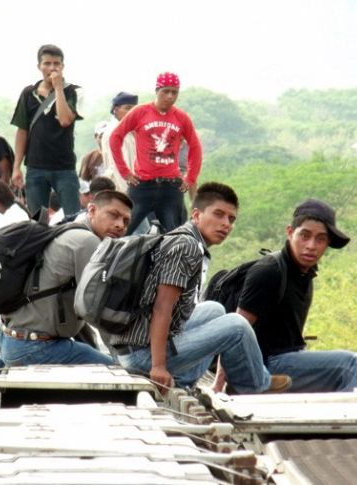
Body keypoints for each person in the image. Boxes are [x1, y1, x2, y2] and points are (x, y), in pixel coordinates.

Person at [108, 182, 291, 394]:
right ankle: (257, 384)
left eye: (231, 219)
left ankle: (184, 379)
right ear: (196, 214)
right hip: (141, 356)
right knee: (237, 325)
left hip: (136, 343)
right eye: (218, 214)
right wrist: (158, 367)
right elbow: (162, 309)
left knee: (215, 309)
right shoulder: (185, 248)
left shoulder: (186, 238)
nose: (226, 224)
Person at [219, 198, 357, 393]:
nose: (311, 245)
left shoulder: (304, 273)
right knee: (348, 365)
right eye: (304, 236)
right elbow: (235, 330)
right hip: (264, 368)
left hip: (291, 357)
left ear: (328, 242)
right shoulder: (269, 271)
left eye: (320, 239)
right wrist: (220, 381)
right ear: (290, 232)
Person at [0, 190, 134, 403]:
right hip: (34, 347)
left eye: (126, 220)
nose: (120, 225)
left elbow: (76, 307)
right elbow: (98, 311)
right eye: (113, 215)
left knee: (86, 353)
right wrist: (122, 359)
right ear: (92, 210)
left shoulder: (66, 230)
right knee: (119, 376)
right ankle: (7, 363)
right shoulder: (88, 243)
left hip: (8, 337)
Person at [108, 73, 202, 235]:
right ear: (157, 90)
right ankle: (107, 259)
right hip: (142, 185)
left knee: (176, 237)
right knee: (122, 231)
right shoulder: (140, 112)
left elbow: (195, 146)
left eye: (174, 92)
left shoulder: (181, 117)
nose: (170, 96)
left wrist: (190, 177)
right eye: (166, 91)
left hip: (171, 186)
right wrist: (125, 172)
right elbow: (115, 138)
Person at [10, 44, 83, 217]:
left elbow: (65, 120)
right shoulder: (29, 93)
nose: (52, 68)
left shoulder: (73, 92)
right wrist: (16, 167)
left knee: (73, 218)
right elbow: (22, 131)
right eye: (47, 63)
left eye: (56, 64)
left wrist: (58, 88)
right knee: (38, 221)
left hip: (64, 167)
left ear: (62, 66)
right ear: (39, 66)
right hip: (35, 167)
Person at [100, 91, 139, 192]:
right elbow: (117, 168)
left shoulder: (131, 131)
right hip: (121, 189)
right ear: (116, 110)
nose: (132, 112)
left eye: (135, 108)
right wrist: (128, 195)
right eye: (128, 108)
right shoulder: (113, 132)